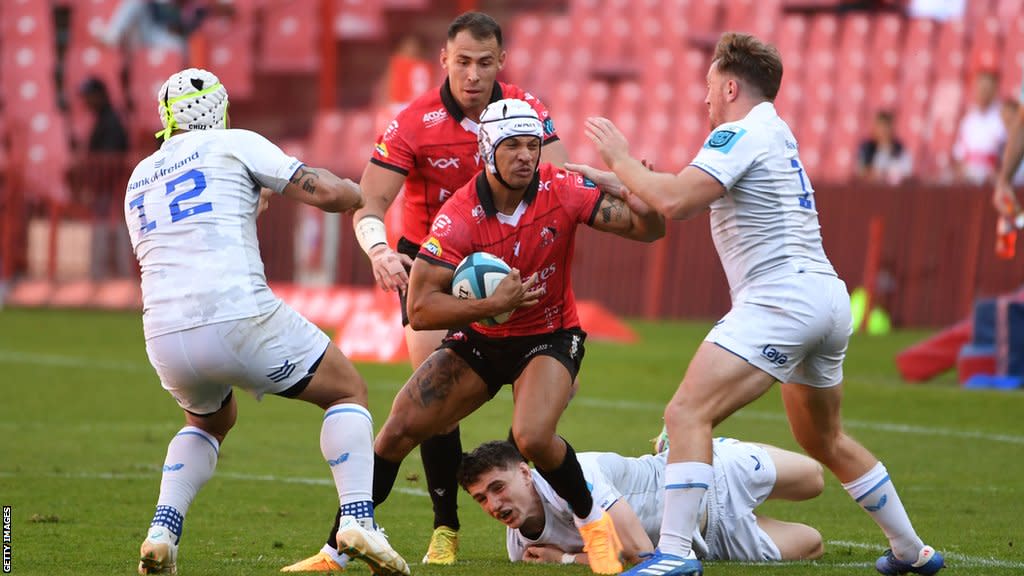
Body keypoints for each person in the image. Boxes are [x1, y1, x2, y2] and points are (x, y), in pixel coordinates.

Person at [566, 32, 945, 576]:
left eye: (708, 90)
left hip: (780, 299)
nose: (704, 102)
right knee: (823, 437)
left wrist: (622, 157)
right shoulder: (774, 132)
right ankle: (912, 552)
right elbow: (684, 196)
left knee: (686, 413)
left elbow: (674, 201)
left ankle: (673, 555)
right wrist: (622, 179)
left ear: (729, 85)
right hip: (826, 299)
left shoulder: (738, 133)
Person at [282, 11, 570, 571]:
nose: (473, 74)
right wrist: (379, 251)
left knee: (532, 420)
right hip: (432, 274)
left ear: (501, 63)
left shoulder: (524, 111)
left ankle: (575, 512)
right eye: (462, 62)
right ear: (444, 60)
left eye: (485, 63)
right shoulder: (414, 121)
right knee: (431, 403)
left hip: (507, 275)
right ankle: (445, 528)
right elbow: (369, 202)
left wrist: (609, 179)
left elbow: (557, 182)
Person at [125, 68, 409, 576]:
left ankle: (161, 532)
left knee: (211, 420)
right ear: (220, 109)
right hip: (236, 313)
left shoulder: (140, 176)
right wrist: (351, 192)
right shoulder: (236, 142)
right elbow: (322, 192)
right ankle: (359, 520)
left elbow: (189, 236)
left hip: (163, 332)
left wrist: (248, 207)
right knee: (346, 390)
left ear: (165, 117)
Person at [371, 96, 663, 576]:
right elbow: (419, 309)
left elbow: (649, 231)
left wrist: (634, 190)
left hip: (550, 334)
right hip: (483, 338)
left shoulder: (562, 187)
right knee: (398, 428)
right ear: (488, 151)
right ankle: (342, 541)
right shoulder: (459, 214)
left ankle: (593, 526)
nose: (526, 155)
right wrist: (492, 306)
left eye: (532, 145)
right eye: (513, 147)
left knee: (531, 436)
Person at [458, 437, 825, 567]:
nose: (493, 504)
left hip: (707, 474)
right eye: (481, 499)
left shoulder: (575, 474)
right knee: (813, 544)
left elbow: (639, 553)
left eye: (497, 487)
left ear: (525, 473)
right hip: (707, 538)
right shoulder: (520, 547)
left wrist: (566, 558)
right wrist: (570, 558)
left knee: (814, 480)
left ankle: (698, 441)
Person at [953, 70, 1006, 185]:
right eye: (980, 88)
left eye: (987, 88)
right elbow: (959, 156)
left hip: (993, 182)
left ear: (994, 90)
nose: (983, 92)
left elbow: (1007, 154)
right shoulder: (968, 120)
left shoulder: (1002, 119)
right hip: (969, 181)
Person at [856, 110, 912, 185]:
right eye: (880, 127)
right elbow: (861, 172)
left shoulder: (900, 149)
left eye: (886, 127)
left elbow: (906, 173)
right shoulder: (867, 149)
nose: (883, 131)